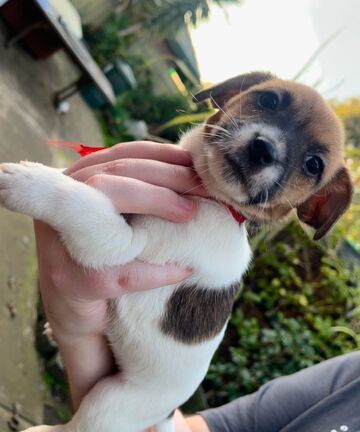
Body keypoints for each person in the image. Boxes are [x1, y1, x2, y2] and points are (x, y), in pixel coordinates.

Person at [35, 142, 360, 432]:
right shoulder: (351, 380)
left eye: (312, 164)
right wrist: (78, 331)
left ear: (317, 201)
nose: (268, 143)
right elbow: (199, 428)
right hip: (155, 387)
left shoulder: (219, 246)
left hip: (146, 388)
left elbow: (115, 248)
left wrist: (54, 195)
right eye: (267, 100)